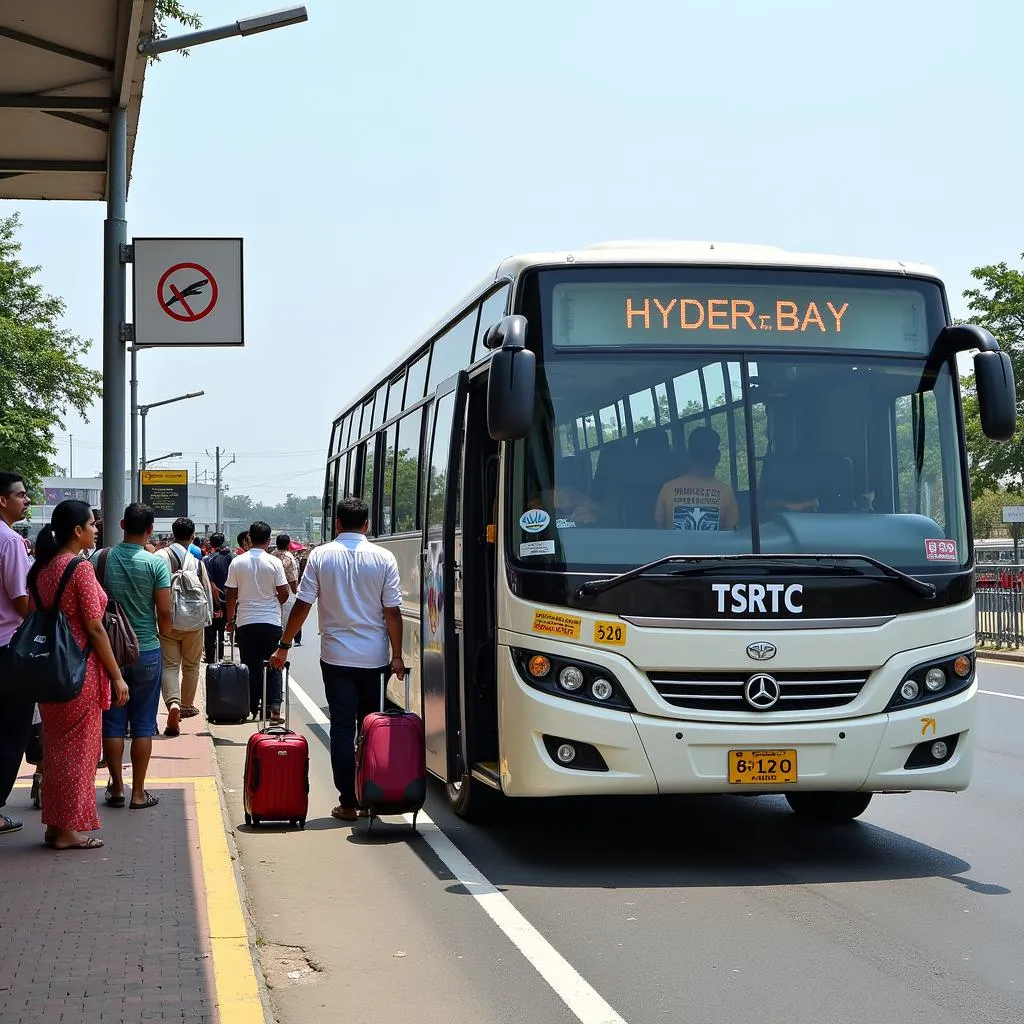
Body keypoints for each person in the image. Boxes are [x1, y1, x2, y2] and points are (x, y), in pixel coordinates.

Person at [270, 498, 405, 822]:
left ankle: (347, 803)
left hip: (335, 656)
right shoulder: (384, 557)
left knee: (343, 727)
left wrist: (285, 644)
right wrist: (397, 655)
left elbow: (303, 604)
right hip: (374, 658)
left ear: (337, 524)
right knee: (371, 726)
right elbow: (393, 611)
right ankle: (372, 795)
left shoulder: (321, 555)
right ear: (368, 524)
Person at [31, 500, 128, 850]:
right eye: (92, 524)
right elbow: (95, 627)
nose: (96, 529)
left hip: (49, 671)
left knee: (57, 750)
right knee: (80, 752)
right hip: (80, 670)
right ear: (77, 530)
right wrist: (117, 676)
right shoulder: (79, 569)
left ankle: (55, 825)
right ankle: (68, 830)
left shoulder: (43, 568)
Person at [93, 503, 173, 812]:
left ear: (122, 523)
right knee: (143, 723)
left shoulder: (101, 559)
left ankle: (116, 788)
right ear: (151, 530)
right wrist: (162, 633)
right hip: (147, 650)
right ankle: (139, 792)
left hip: (109, 651)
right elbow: (164, 612)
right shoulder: (156, 564)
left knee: (112, 721)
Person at [225, 521, 290, 723]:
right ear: (269, 541)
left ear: (249, 539)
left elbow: (230, 594)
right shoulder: (274, 562)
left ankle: (251, 706)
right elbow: (284, 593)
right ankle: (275, 707)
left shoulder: (237, 562)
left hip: (245, 621)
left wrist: (230, 619)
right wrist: (273, 602)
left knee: (250, 666)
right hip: (270, 621)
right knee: (274, 664)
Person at [155, 517, 213, 735]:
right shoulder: (197, 561)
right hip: (194, 622)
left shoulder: (160, 557)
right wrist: (206, 619)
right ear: (192, 536)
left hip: (167, 619)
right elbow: (206, 591)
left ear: (172, 534)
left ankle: (173, 704)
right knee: (191, 666)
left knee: (170, 665)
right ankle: (187, 706)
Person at [0, 472, 34, 835]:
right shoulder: (10, 541)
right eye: (21, 495)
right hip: (8, 647)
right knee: (13, 732)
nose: (26, 501)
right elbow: (21, 600)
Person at [654, 426, 739, 531]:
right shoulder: (726, 492)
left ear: (688, 455)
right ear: (717, 457)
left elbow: (658, 533)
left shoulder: (668, 489)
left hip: (675, 548)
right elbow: (730, 535)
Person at [202, 532, 234, 664]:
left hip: (212, 601)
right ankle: (222, 658)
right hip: (228, 600)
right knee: (224, 632)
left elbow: (209, 582)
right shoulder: (232, 558)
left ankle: (210, 660)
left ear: (211, 543)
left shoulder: (206, 560)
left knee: (210, 632)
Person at [269, 533, 301, 645]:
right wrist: (295, 592)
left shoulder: (271, 555)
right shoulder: (289, 557)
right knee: (287, 618)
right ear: (288, 544)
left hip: (271, 591)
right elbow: (292, 578)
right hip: (286, 590)